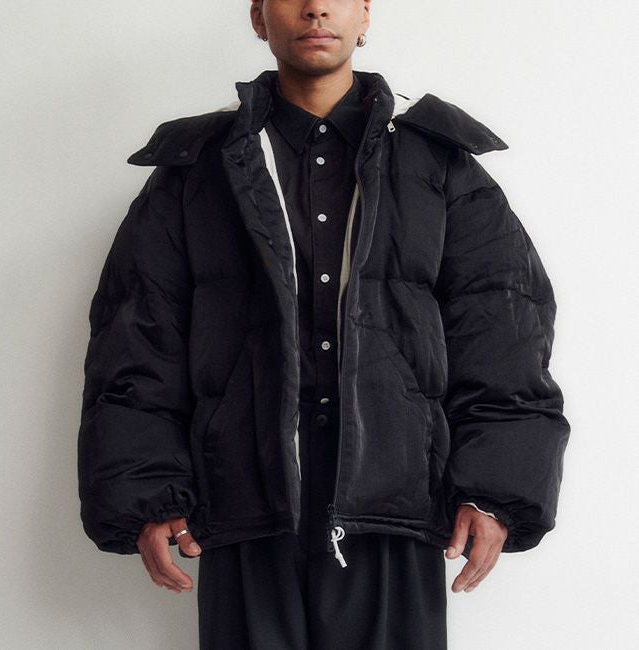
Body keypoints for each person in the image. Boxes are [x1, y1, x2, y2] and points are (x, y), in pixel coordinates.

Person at [77, 1, 571, 648]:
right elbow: (136, 339)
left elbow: (504, 332)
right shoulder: (196, 170)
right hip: (245, 505)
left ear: (364, 15)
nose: (315, 7)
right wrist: (148, 492)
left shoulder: (438, 165)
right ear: (259, 17)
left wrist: (494, 490)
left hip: (395, 508)